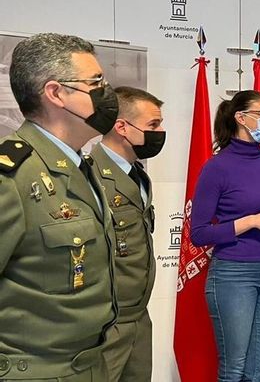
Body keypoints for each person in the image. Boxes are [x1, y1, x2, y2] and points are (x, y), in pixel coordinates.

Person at [0, 33, 119, 380]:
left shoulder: (82, 166)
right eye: (95, 83)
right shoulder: (13, 176)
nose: (107, 92)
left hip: (91, 364)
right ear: (56, 93)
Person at [190, 90, 260, 382]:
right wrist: (250, 221)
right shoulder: (217, 167)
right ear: (240, 117)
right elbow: (199, 234)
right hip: (233, 274)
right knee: (234, 368)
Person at [91, 86, 165, 381]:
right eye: (153, 125)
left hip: (138, 318)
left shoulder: (137, 175)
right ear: (121, 127)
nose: (160, 132)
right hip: (105, 325)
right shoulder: (90, 176)